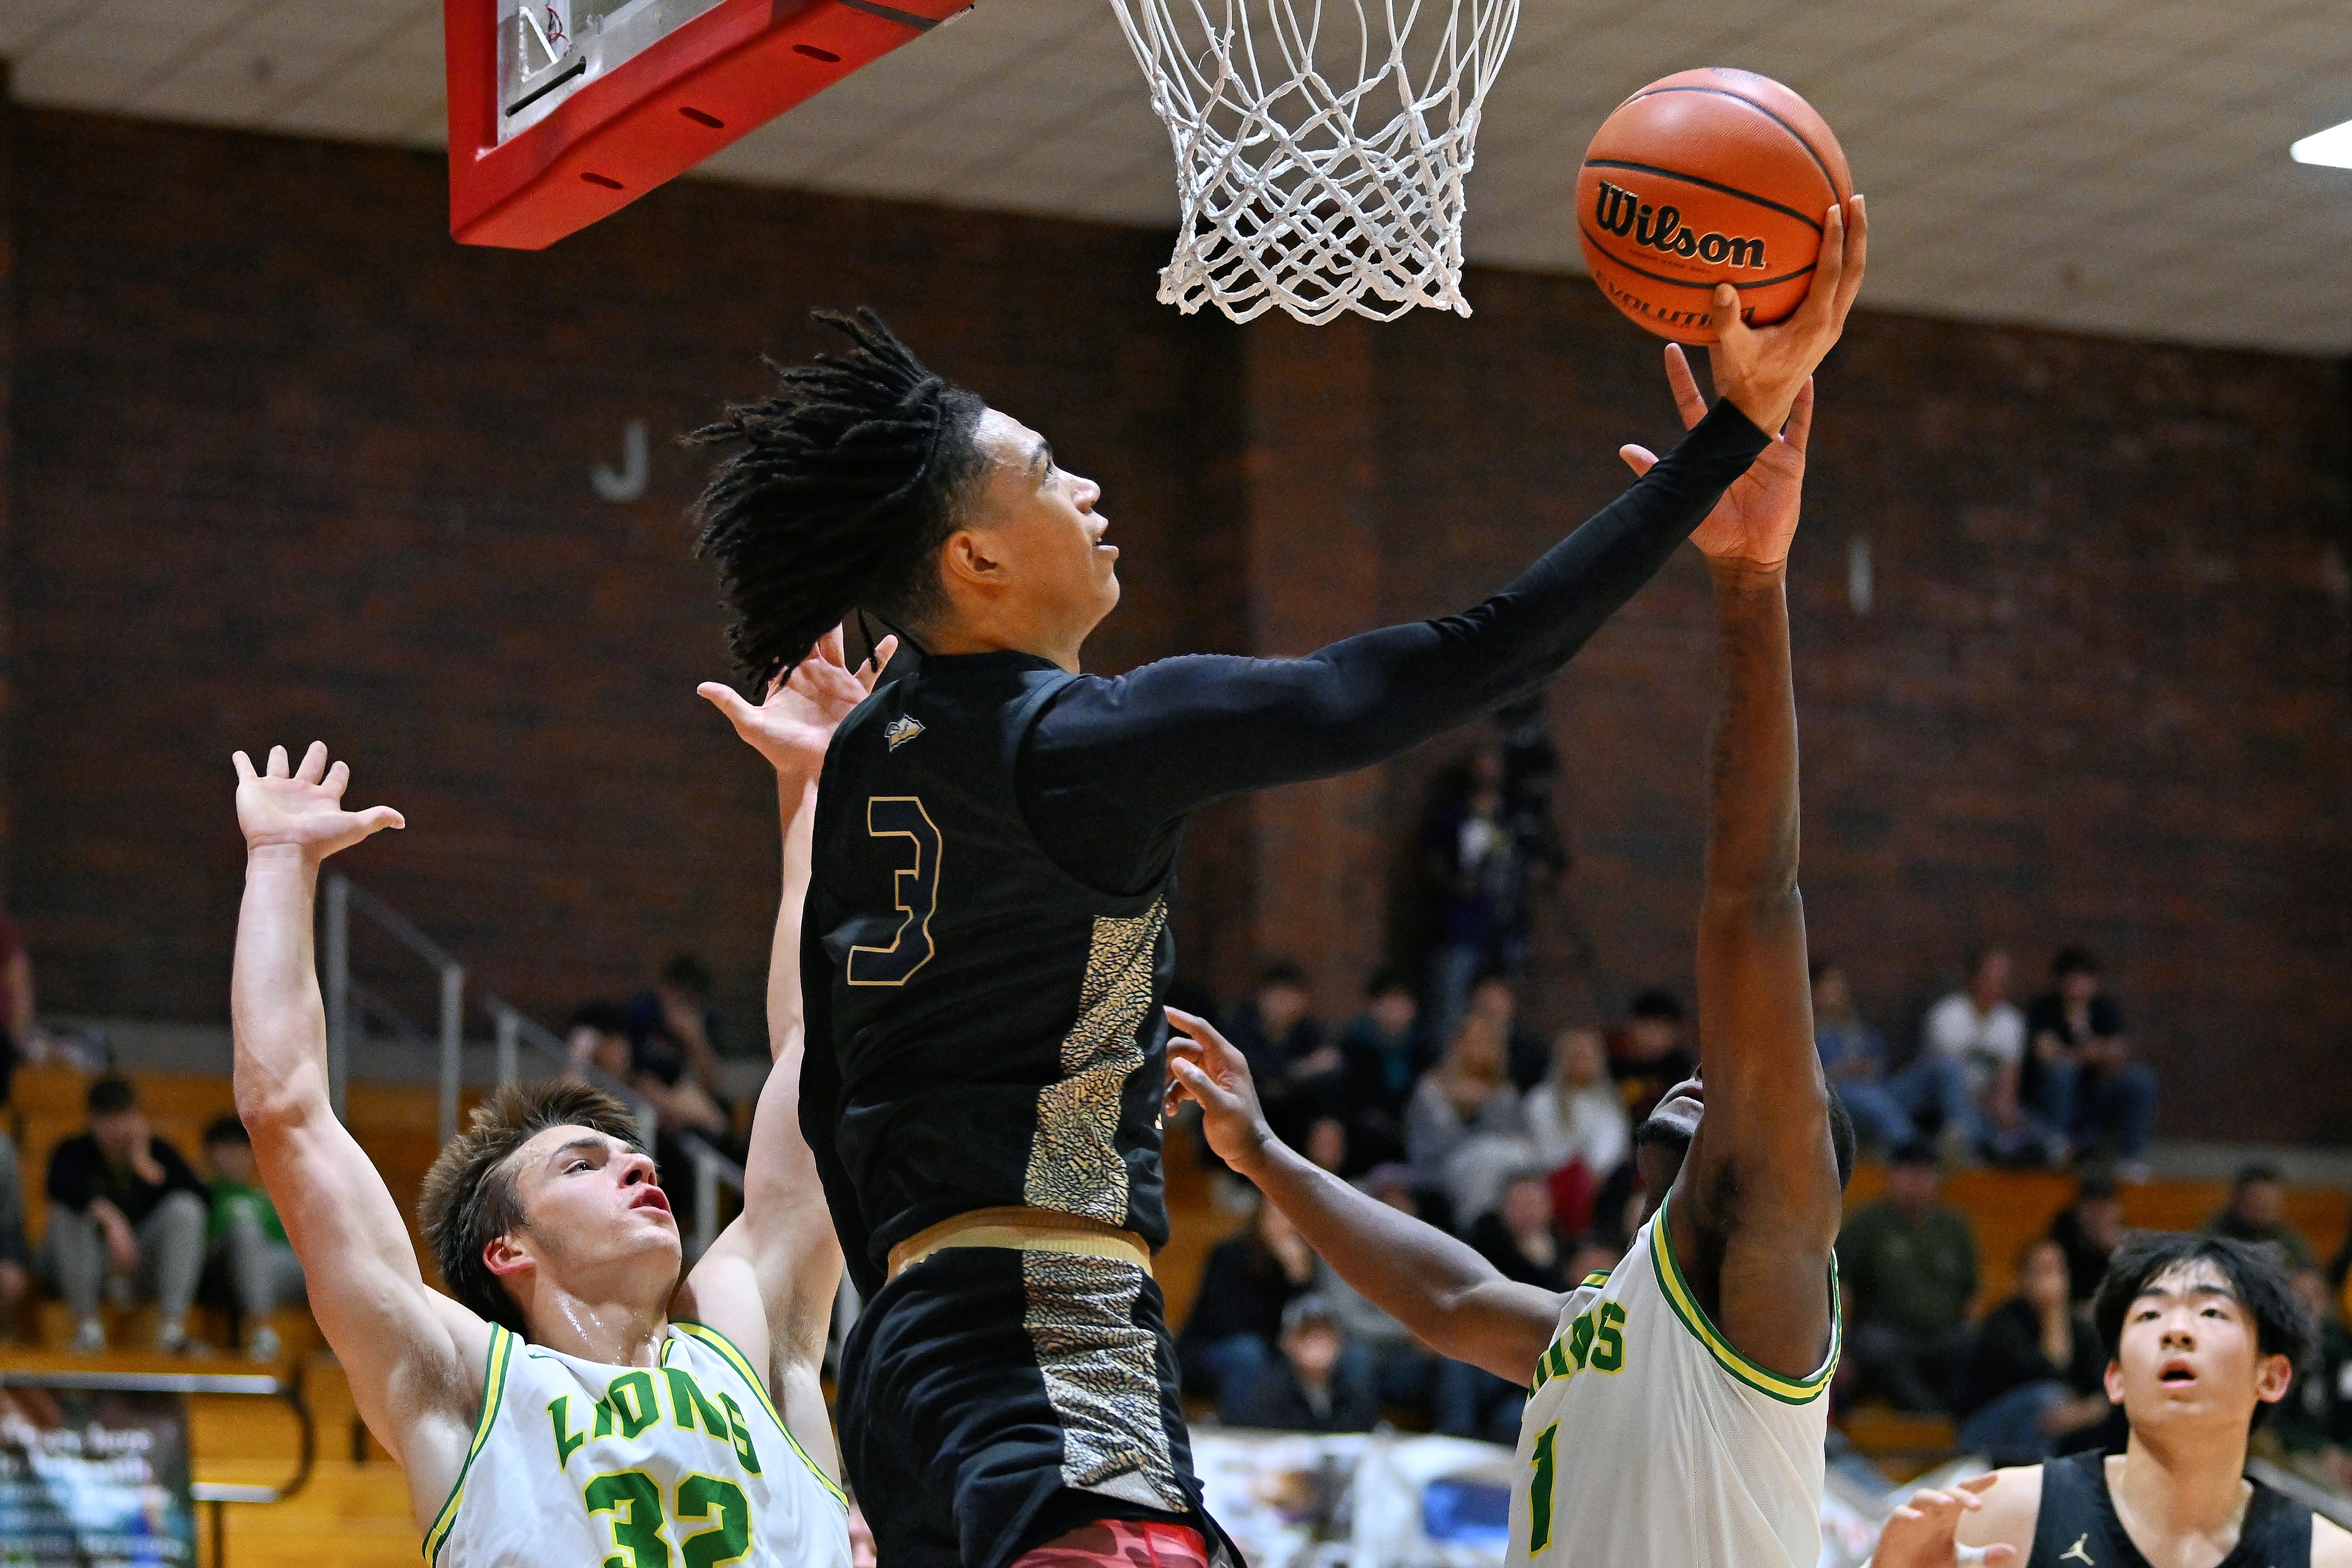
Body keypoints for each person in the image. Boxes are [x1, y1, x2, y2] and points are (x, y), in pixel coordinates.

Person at [1166, 246, 1868, 1567]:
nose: (1703, 1077)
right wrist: (1266, 1155)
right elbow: (1449, 1292)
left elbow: (1751, 899)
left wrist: (1748, 589)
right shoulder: (1612, 1320)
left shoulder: (1766, 1263)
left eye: (1739, 1085)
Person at [228, 637, 877, 1563]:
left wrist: (814, 788)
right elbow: (285, 1113)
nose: (641, 1163)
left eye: (627, 1153)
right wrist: (281, 861)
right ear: (507, 1248)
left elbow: (818, 1057)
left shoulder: (744, 1331)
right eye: (584, 1163)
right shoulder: (462, 1384)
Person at [1870, 1232, 2351, 1568]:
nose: (2177, 1331)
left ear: (2271, 1375)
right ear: (2116, 1378)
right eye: (2150, 1314)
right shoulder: (2002, 1515)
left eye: (2210, 1310)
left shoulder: (2326, 1556)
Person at [40, 1076, 209, 1353]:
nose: (114, 1129)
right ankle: (88, 1327)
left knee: (185, 1209)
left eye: (121, 1118)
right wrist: (110, 1219)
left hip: (139, 1267)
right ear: (91, 1121)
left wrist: (144, 1164)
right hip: (83, 1264)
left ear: (135, 1118)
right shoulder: (72, 1151)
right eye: (106, 1120)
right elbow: (58, 1186)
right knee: (67, 1213)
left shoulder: (159, 1152)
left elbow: (199, 1197)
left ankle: (172, 1329)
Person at [1838, 1140, 1980, 1413]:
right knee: (1876, 1348)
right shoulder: (1868, 1224)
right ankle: (1931, 1419)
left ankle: (1951, 1420)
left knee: (1972, 1344)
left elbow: (1970, 1294)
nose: (1918, 1182)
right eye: (1910, 1172)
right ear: (1893, 1175)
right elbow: (1843, 1289)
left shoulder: (1953, 1227)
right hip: (1887, 1334)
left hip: (1941, 1337)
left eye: (1926, 1174)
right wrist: (1842, 1350)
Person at [1957, 1238, 2110, 1466]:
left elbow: (2102, 1390)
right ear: (2023, 1279)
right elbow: (2050, 1370)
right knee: (2047, 1397)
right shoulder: (2004, 1323)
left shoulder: (2079, 1328)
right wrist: (2052, 1315)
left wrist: (2079, 1414)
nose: (2052, 1281)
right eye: (2042, 1271)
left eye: (2058, 1270)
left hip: (2056, 1422)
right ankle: (2034, 1483)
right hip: (1985, 1432)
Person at [1813, 959, 1970, 1155]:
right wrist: (1841, 1069)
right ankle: (1915, 1152)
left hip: (1879, 1089)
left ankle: (1960, 1139)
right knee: (1866, 1096)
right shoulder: (1807, 1029)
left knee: (1944, 1067)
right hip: (1841, 1098)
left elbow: (1878, 1054)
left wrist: (1869, 1065)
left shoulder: (1853, 1026)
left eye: (1839, 984)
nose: (1836, 990)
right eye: (1829, 984)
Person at [1175, 1197, 1317, 1412]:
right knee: (1248, 1352)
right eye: (1276, 1214)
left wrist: (1299, 1282)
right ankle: (1243, 1430)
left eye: (1290, 1217)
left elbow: (1311, 1319)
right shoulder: (1229, 1255)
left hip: (1271, 1350)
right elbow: (1227, 1324)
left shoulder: (1303, 1262)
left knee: (1322, 1351)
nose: (1283, 1223)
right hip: (1209, 1351)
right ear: (1260, 1215)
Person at [2024, 948, 2157, 1172]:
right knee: (2062, 1071)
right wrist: (2092, 1052)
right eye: (2073, 978)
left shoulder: (2104, 1010)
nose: (2079, 984)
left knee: (2141, 1079)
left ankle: (2129, 1159)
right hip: (2053, 1100)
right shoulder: (2044, 1009)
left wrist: (2075, 1051)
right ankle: (2057, 1147)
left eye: (2086, 978)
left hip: (2096, 1095)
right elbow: (2045, 1053)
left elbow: (2118, 1053)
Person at [1405, 1011, 1531, 1226]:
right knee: (1487, 1158)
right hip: (1441, 1172)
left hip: (1504, 1178)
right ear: (1457, 1043)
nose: (1479, 1049)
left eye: (1487, 1042)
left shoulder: (1504, 1093)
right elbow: (1426, 1148)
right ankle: (1476, 1230)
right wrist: (1461, 1108)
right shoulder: (1432, 1089)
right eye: (1474, 1040)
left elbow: (1517, 1141)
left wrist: (1486, 1105)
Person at [1921, 946, 2040, 1164]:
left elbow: (2009, 1079)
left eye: (2002, 980)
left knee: (2030, 1127)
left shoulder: (2012, 1022)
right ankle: (1966, 1147)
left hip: (1987, 1105)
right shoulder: (1947, 1015)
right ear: (1972, 978)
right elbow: (1947, 1079)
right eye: (1989, 978)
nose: (1995, 986)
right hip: (1945, 1104)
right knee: (1969, 1120)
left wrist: (2004, 1107)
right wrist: (1991, 1102)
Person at [201, 1115, 306, 1361]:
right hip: (222, 1271)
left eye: (241, 1149)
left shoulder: (266, 1199)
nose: (235, 1157)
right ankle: (261, 1331)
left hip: (270, 1271)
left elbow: (289, 1251)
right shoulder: (202, 1195)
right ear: (210, 1153)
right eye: (226, 1149)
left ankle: (345, 1345)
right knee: (247, 1233)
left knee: (329, 1258)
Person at [1523, 1026, 1630, 1238]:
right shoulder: (1541, 1100)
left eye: (1588, 1056)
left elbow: (1613, 1145)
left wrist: (1595, 1170)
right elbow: (1547, 1150)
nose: (1582, 1062)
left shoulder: (1610, 1104)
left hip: (1601, 1183)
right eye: (1575, 1055)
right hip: (1553, 1179)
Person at [1222, 961, 1342, 1149]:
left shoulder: (1309, 1033)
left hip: (1296, 1120)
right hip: (1249, 1118)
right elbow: (1256, 1076)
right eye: (1277, 995)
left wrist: (1285, 1081)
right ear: (1261, 997)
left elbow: (1330, 1074)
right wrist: (1305, 1069)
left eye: (1290, 996)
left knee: (1327, 1126)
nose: (1283, 1003)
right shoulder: (1242, 1029)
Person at [1225, 1294, 1381, 1433]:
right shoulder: (1267, 1396)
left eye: (1326, 1332)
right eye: (1307, 1332)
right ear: (1287, 1342)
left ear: (1341, 1341)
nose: (1319, 1341)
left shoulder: (1357, 1393)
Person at [1336, 968, 1432, 1172]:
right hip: (1364, 1137)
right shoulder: (1352, 1048)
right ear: (1372, 1005)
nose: (1394, 1009)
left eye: (1401, 1002)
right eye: (1387, 1001)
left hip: (1410, 1135)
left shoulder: (1425, 1052)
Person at [1607, 987, 1696, 1127]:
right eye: (1646, 1028)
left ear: (1675, 1033)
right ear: (1631, 1028)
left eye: (1659, 1029)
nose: (1651, 1037)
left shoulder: (1683, 1072)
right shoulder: (1614, 1067)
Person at [2207, 1162, 2319, 1272]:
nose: (2265, 1205)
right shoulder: (2216, 1239)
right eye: (2257, 1199)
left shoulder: (2286, 1238)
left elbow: (2311, 1272)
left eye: (2271, 1200)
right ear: (2239, 1200)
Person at [2049, 1168, 2127, 1308]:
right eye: (2093, 1206)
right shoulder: (2062, 1237)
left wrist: (2114, 1252)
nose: (2100, 1215)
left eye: (2106, 1205)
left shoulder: (2121, 1236)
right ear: (2079, 1208)